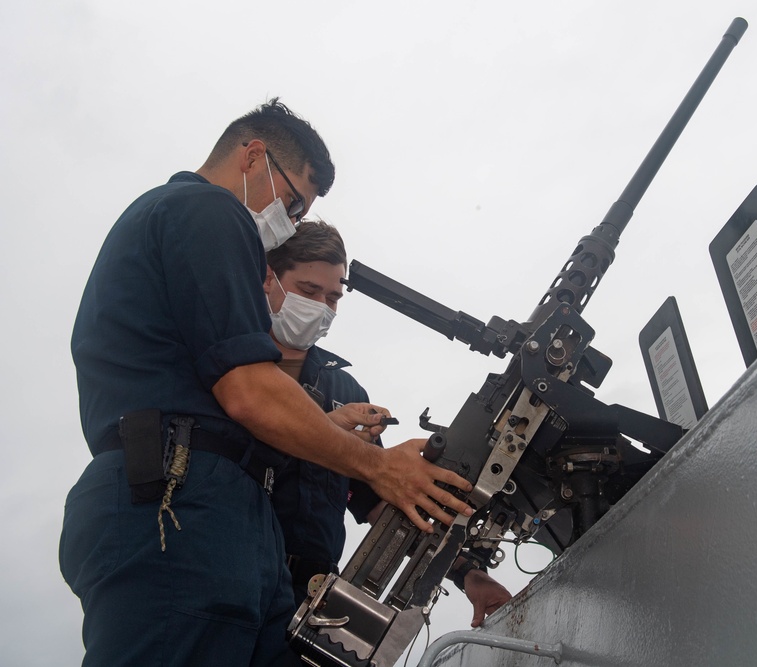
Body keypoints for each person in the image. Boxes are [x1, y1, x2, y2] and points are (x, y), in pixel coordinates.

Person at [60, 98, 474, 666]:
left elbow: (220, 399)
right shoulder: (205, 209)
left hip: (223, 515)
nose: (291, 221)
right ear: (253, 157)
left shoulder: (175, 225)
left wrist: (325, 429)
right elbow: (249, 392)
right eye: (294, 202)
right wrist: (381, 465)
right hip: (174, 510)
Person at [263, 219, 512, 628]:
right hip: (226, 579)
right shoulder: (235, 369)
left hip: (306, 599)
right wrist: (327, 428)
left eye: (333, 297)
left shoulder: (344, 388)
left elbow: (385, 500)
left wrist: (469, 574)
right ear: (268, 278)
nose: (322, 307)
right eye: (309, 292)